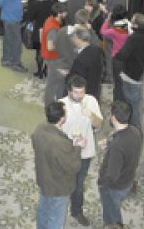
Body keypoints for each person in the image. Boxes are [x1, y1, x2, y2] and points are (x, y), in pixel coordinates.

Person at [59, 75, 103, 226]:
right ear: (69, 91)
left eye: (82, 92)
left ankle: (77, 211)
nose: (80, 96)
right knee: (63, 182)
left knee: (78, 185)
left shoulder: (91, 100)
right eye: (76, 92)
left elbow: (99, 125)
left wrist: (90, 114)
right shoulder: (61, 105)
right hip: (67, 153)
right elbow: (55, 132)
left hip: (85, 152)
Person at [32, 102, 83, 229]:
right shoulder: (59, 143)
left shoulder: (39, 129)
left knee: (43, 209)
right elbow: (73, 167)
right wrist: (77, 147)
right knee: (56, 218)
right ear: (61, 118)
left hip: (44, 179)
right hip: (58, 187)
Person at [98, 101, 143, 227]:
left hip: (115, 186)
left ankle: (113, 225)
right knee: (113, 206)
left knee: (112, 209)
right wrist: (108, 143)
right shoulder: (135, 131)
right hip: (128, 178)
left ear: (113, 118)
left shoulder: (117, 147)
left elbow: (112, 175)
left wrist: (101, 182)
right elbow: (125, 144)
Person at [115, 13, 144, 127]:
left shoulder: (133, 39)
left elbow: (122, 56)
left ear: (134, 24)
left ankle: (136, 129)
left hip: (133, 78)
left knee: (133, 104)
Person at [100, 5, 130, 100]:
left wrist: (108, 19)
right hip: (128, 55)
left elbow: (102, 31)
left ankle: (117, 99)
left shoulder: (114, 30)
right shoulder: (128, 25)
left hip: (117, 57)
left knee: (117, 81)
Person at [25, 0, 54, 78]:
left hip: (39, 31)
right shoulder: (52, 3)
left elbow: (30, 16)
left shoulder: (36, 4)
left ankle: (39, 71)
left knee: (39, 51)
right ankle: (46, 69)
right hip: (50, 30)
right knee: (49, 51)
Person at [42, 2, 68, 105]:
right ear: (60, 13)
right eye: (65, 12)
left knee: (59, 81)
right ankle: (49, 104)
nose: (66, 14)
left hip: (51, 57)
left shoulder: (50, 20)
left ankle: (59, 100)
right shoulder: (53, 28)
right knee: (52, 83)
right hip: (53, 59)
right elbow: (50, 46)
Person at [69, 27, 104, 101]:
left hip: (83, 94)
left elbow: (76, 80)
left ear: (78, 39)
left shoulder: (80, 60)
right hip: (96, 88)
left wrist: (67, 75)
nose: (72, 40)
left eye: (73, 38)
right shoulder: (98, 50)